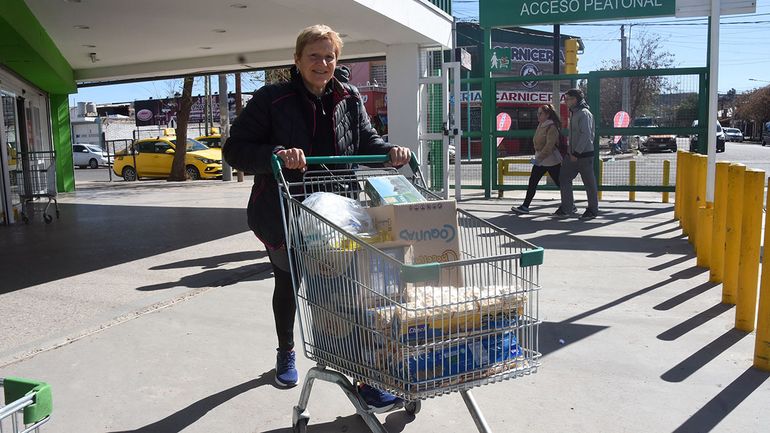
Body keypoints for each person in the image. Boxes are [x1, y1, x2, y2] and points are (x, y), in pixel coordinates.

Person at [223, 24, 411, 412]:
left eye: (329, 56)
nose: (322, 64)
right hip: (285, 212)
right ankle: (286, 351)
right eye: (314, 56)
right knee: (289, 283)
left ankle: (364, 375)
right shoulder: (272, 99)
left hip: (335, 215)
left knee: (350, 296)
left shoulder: (349, 95)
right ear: (297, 60)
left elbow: (365, 141)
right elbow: (235, 149)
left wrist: (391, 151)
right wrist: (277, 153)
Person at [554, 88, 599, 221]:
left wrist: (577, 152)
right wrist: (570, 152)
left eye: (568, 99)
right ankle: (567, 207)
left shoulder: (584, 114)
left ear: (575, 99)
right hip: (572, 154)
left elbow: (586, 135)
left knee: (589, 183)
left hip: (583, 155)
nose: (566, 101)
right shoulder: (574, 113)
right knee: (564, 178)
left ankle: (592, 209)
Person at [511, 104, 562, 214]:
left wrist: (538, 159)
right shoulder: (541, 125)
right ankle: (525, 206)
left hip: (551, 160)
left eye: (540, 113)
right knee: (533, 182)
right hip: (541, 159)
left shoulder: (551, 127)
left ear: (548, 115)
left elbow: (549, 146)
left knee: (560, 183)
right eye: (537, 113)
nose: (538, 115)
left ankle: (569, 204)